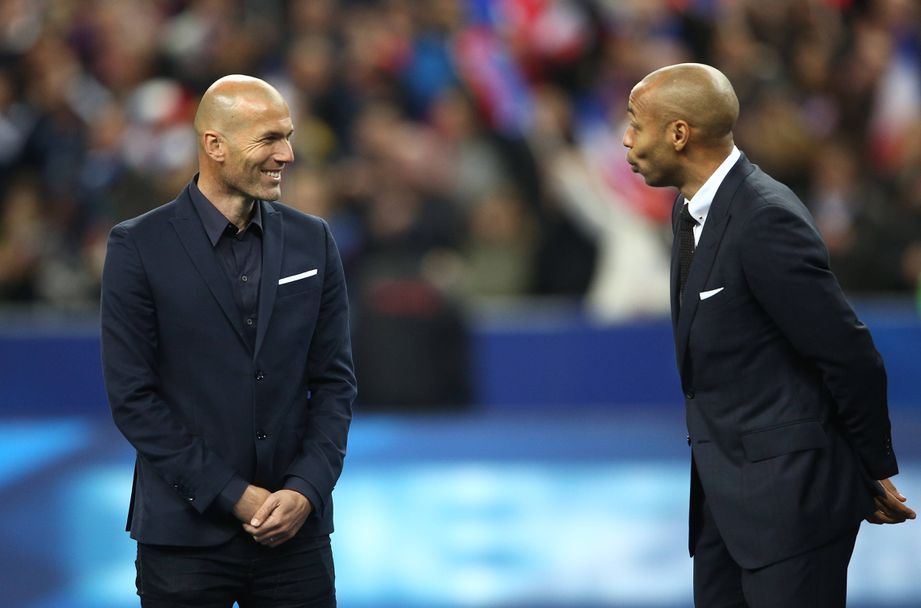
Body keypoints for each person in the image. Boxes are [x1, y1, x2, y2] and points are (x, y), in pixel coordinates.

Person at [622, 63, 915, 607]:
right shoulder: (689, 211)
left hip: (791, 508)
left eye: (636, 123)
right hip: (724, 508)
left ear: (679, 133)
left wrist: (870, 467)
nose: (626, 138)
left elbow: (848, 354)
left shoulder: (763, 217)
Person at [101, 74, 356, 607]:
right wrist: (232, 495)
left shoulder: (313, 240)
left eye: (288, 137)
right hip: (183, 539)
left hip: (295, 537)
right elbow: (134, 399)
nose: (287, 155)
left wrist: (306, 489)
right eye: (269, 139)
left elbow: (335, 385)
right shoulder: (138, 247)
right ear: (214, 145)